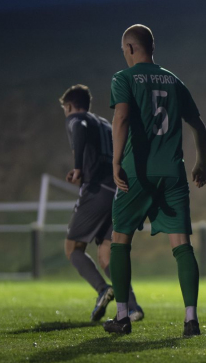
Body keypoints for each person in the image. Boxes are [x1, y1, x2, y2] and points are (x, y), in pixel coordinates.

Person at [104, 24, 206, 336]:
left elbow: (121, 117)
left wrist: (115, 161)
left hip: (137, 172)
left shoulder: (123, 79)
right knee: (182, 246)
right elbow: (199, 126)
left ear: (131, 48)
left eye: (125, 50)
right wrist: (201, 161)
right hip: (173, 173)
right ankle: (191, 320)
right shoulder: (173, 80)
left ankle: (122, 317)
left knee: (119, 241)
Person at [59, 84, 143, 322]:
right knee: (107, 254)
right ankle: (133, 307)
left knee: (72, 248)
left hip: (97, 191)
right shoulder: (106, 124)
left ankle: (102, 289)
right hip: (119, 190)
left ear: (69, 107)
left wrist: (78, 168)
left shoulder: (77, 119)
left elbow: (80, 127)